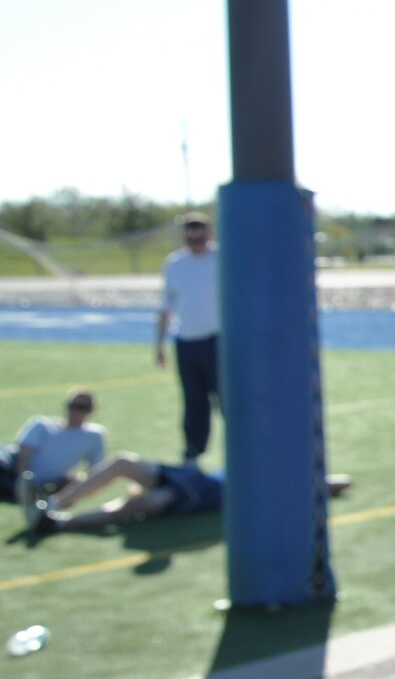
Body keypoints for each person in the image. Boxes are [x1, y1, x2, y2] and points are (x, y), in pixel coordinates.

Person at [31, 452, 351, 532]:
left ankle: (57, 522)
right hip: (189, 478)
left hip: (194, 499)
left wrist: (321, 483)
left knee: (138, 504)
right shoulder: (256, 461)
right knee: (123, 462)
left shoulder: (273, 487)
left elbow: (340, 482)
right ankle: (54, 502)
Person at [156, 212, 220, 461]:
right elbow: (166, 307)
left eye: (200, 235)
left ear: (209, 233)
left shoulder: (221, 257)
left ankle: (244, 453)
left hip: (217, 340)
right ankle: (193, 452)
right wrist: (159, 345)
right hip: (186, 342)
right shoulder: (175, 264)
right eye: (191, 237)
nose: (196, 242)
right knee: (194, 402)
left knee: (227, 399)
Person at [3, 389, 106, 523]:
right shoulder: (42, 424)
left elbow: (96, 472)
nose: (75, 411)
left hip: (37, 484)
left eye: (81, 407)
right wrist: (24, 481)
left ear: (91, 410)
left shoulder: (94, 436)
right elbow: (24, 454)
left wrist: (72, 483)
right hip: (11, 465)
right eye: (72, 405)